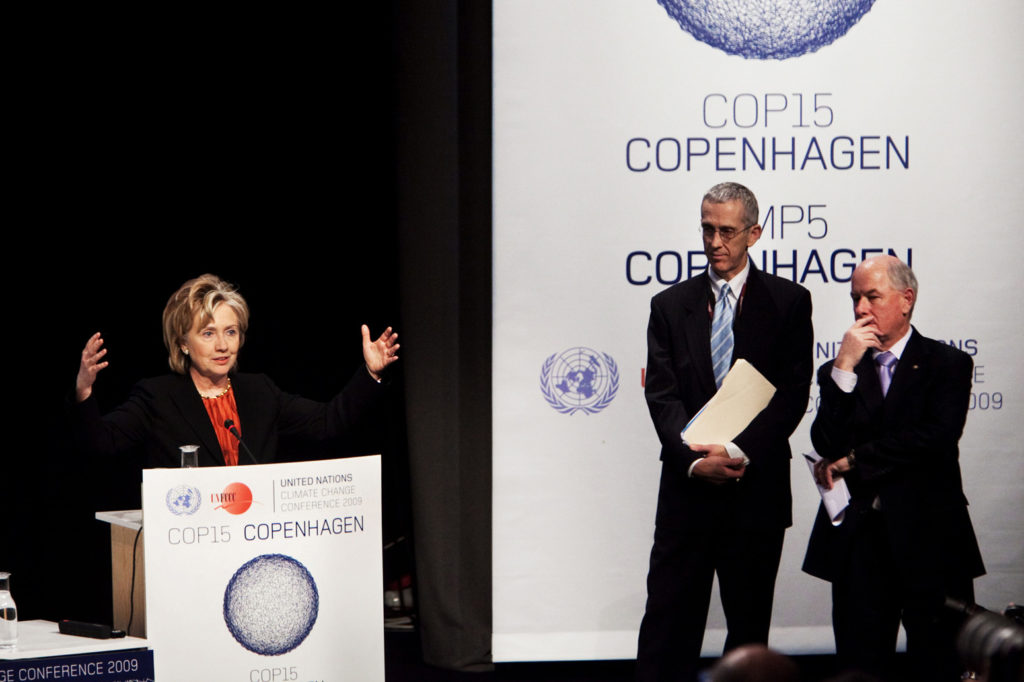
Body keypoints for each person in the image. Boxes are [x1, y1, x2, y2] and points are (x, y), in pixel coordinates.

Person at [637, 182, 814, 681]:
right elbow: (662, 395)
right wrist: (695, 459)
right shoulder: (669, 306)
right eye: (707, 229)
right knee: (668, 630)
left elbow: (790, 396)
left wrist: (734, 450)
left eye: (727, 231)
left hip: (754, 493)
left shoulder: (789, 302)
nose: (715, 241)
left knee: (748, 634)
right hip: (686, 492)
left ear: (754, 233)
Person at [802, 255, 985, 681]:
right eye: (855, 298)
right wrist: (844, 368)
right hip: (861, 545)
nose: (861, 308)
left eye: (872, 296)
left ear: (906, 300)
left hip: (931, 541)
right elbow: (826, 443)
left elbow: (935, 438)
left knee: (940, 664)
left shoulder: (947, 364)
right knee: (860, 666)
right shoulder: (837, 371)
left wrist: (858, 460)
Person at [71, 273, 399, 468]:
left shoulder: (260, 392)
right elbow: (102, 442)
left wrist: (370, 374)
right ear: (183, 343)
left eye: (231, 332)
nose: (223, 345)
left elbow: (328, 422)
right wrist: (84, 392)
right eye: (208, 333)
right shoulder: (157, 397)